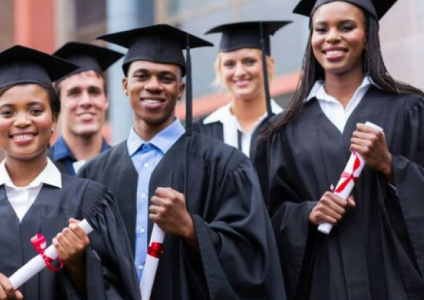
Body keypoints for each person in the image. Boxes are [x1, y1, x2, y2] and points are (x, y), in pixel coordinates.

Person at [0, 45, 140, 300]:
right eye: (7, 112)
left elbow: (122, 292)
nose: (22, 121)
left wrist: (79, 266)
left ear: (54, 118)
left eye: (35, 110)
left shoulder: (91, 202)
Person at [78, 24, 285, 300]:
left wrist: (191, 228)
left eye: (166, 77)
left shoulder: (225, 165)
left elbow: (252, 260)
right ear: (125, 86)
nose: (153, 85)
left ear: (181, 88)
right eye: (142, 76)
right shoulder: (94, 174)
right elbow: (92, 265)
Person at [254, 0, 424, 299]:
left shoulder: (409, 109)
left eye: (346, 27)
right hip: (322, 280)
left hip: (394, 279)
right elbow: (265, 217)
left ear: (368, 35)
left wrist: (389, 166)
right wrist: (307, 214)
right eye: (321, 29)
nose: (332, 37)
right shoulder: (281, 130)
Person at [194, 21, 290, 158]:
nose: (239, 72)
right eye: (229, 64)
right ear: (219, 70)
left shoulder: (288, 127)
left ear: (269, 65)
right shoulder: (201, 132)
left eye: (249, 61)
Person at [49, 42, 122, 175]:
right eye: (74, 93)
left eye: (94, 91)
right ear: (57, 104)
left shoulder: (125, 167)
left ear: (106, 100)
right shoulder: (41, 169)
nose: (86, 101)